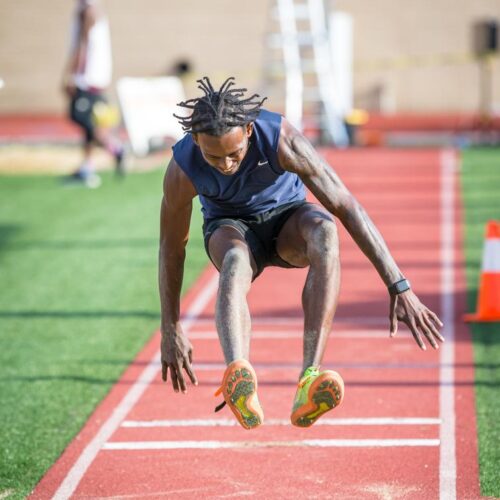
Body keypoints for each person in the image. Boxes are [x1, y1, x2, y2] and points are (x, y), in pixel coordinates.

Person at [158, 76, 444, 430]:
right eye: (213, 156)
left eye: (234, 154)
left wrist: (398, 285)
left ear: (248, 130)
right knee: (234, 261)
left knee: (325, 232)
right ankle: (238, 375)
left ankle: (309, 379)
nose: (227, 164)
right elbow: (172, 246)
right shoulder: (182, 168)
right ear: (196, 140)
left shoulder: (281, 140)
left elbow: (345, 205)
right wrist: (170, 327)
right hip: (230, 229)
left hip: (288, 223)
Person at [62, 0, 125, 188]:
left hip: (87, 79)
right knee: (88, 125)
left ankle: (116, 148)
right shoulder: (95, 9)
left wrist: (70, 76)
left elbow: (82, 45)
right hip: (96, 78)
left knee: (79, 116)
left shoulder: (87, 11)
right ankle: (87, 168)